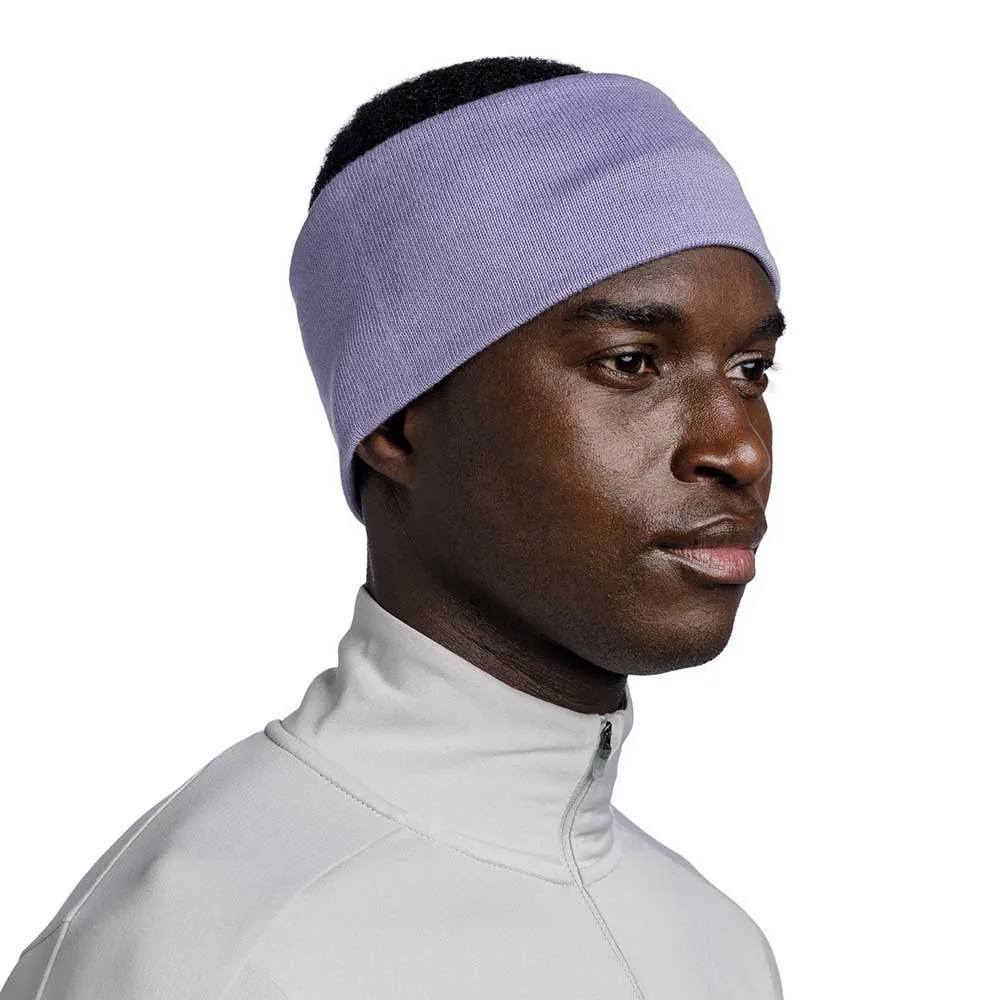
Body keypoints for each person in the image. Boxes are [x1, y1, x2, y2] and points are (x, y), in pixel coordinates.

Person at [1, 55, 786, 999]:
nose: (738, 447)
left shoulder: (715, 946)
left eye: (751, 371)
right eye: (630, 362)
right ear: (397, 422)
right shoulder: (214, 953)